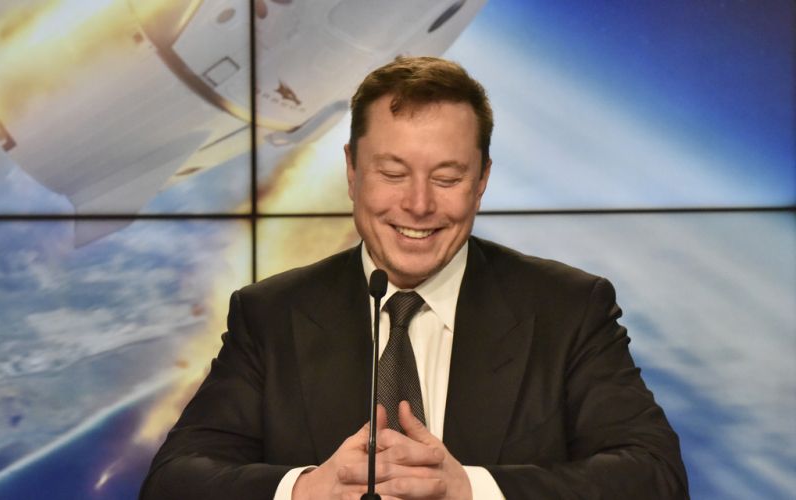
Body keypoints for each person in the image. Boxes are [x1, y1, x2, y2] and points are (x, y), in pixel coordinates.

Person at [141, 56, 688, 499]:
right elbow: (173, 482)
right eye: (393, 173)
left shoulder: (569, 309)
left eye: (447, 177)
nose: (419, 204)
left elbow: (655, 477)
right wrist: (305, 491)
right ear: (352, 171)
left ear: (482, 181)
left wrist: (471, 490)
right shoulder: (270, 314)